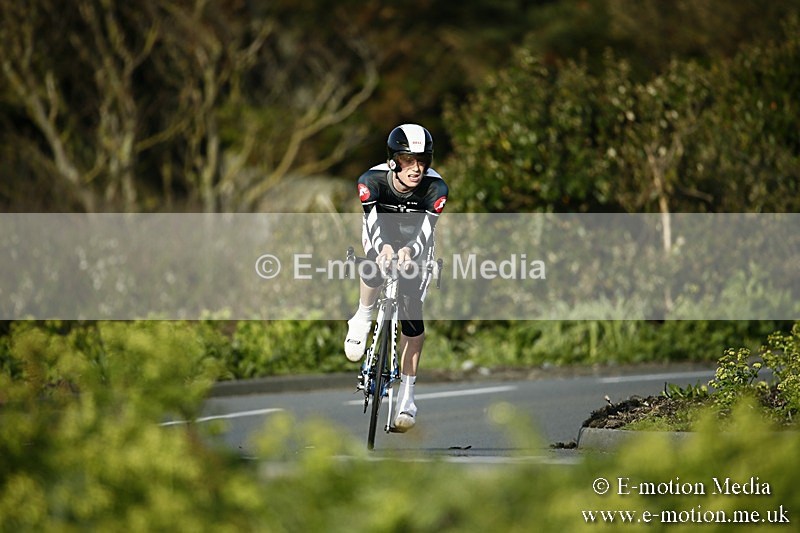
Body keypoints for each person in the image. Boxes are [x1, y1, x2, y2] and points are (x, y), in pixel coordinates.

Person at [344, 123, 449, 432]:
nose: (417, 168)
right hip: (382, 234)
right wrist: (385, 248)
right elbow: (373, 224)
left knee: (412, 317)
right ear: (394, 160)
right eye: (409, 159)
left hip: (417, 242)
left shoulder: (436, 188)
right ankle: (362, 317)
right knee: (374, 267)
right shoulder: (370, 181)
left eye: (422, 160)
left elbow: (426, 232)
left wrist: (411, 252)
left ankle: (407, 399)